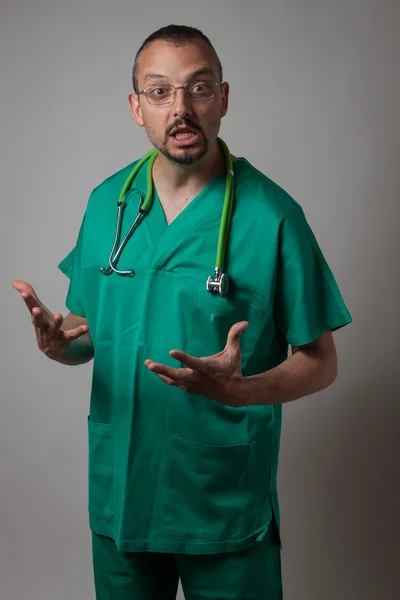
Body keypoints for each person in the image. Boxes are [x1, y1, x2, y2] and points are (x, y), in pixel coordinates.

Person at [13, 24, 352, 600]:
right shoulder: (106, 205)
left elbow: (322, 360)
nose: (181, 108)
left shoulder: (272, 216)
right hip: (123, 492)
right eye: (160, 91)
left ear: (223, 97)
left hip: (222, 501)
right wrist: (60, 344)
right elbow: (91, 331)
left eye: (198, 88)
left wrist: (244, 389)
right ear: (135, 106)